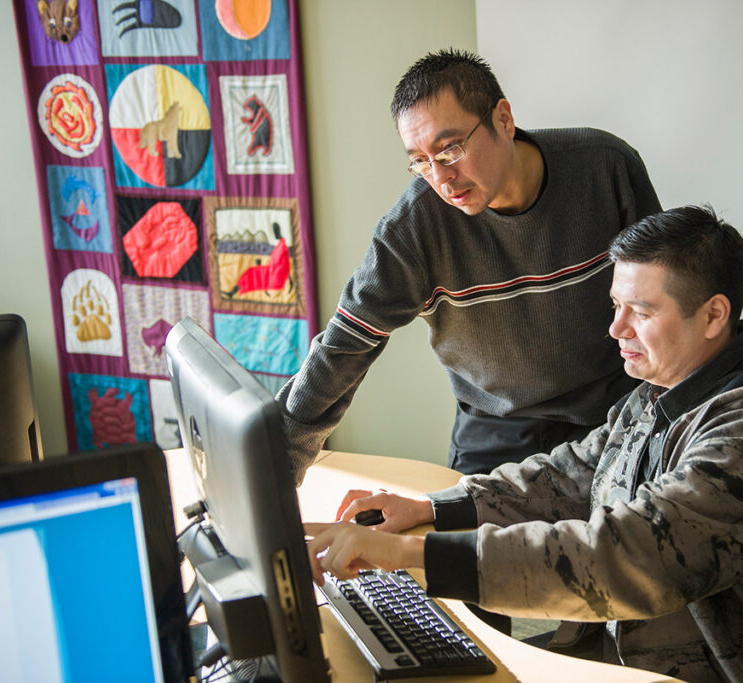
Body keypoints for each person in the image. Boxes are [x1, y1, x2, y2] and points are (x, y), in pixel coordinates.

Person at [305, 206, 743, 682]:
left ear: (714, 314)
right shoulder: (669, 387)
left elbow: (629, 555)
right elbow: (573, 472)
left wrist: (407, 556)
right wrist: (435, 507)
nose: (616, 330)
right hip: (624, 656)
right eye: (616, 306)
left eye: (641, 312)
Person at [276, 49, 661, 482]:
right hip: (495, 432)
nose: (441, 178)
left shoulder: (605, 168)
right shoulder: (414, 227)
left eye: (450, 149)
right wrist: (276, 466)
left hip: (613, 413)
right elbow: (346, 344)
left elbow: (662, 298)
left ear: (503, 119)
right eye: (420, 161)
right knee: (456, 546)